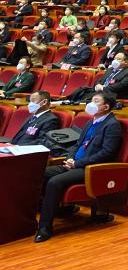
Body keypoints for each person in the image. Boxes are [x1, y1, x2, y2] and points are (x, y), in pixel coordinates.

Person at [35, 92, 122, 242]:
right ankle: (33, 217)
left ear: (106, 107)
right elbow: (77, 144)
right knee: (38, 173)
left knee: (54, 182)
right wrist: (69, 158)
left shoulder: (112, 125)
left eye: (96, 101)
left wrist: (77, 163)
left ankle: (44, 228)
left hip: (89, 168)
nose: (91, 104)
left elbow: (107, 153)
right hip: (74, 163)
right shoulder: (90, 122)